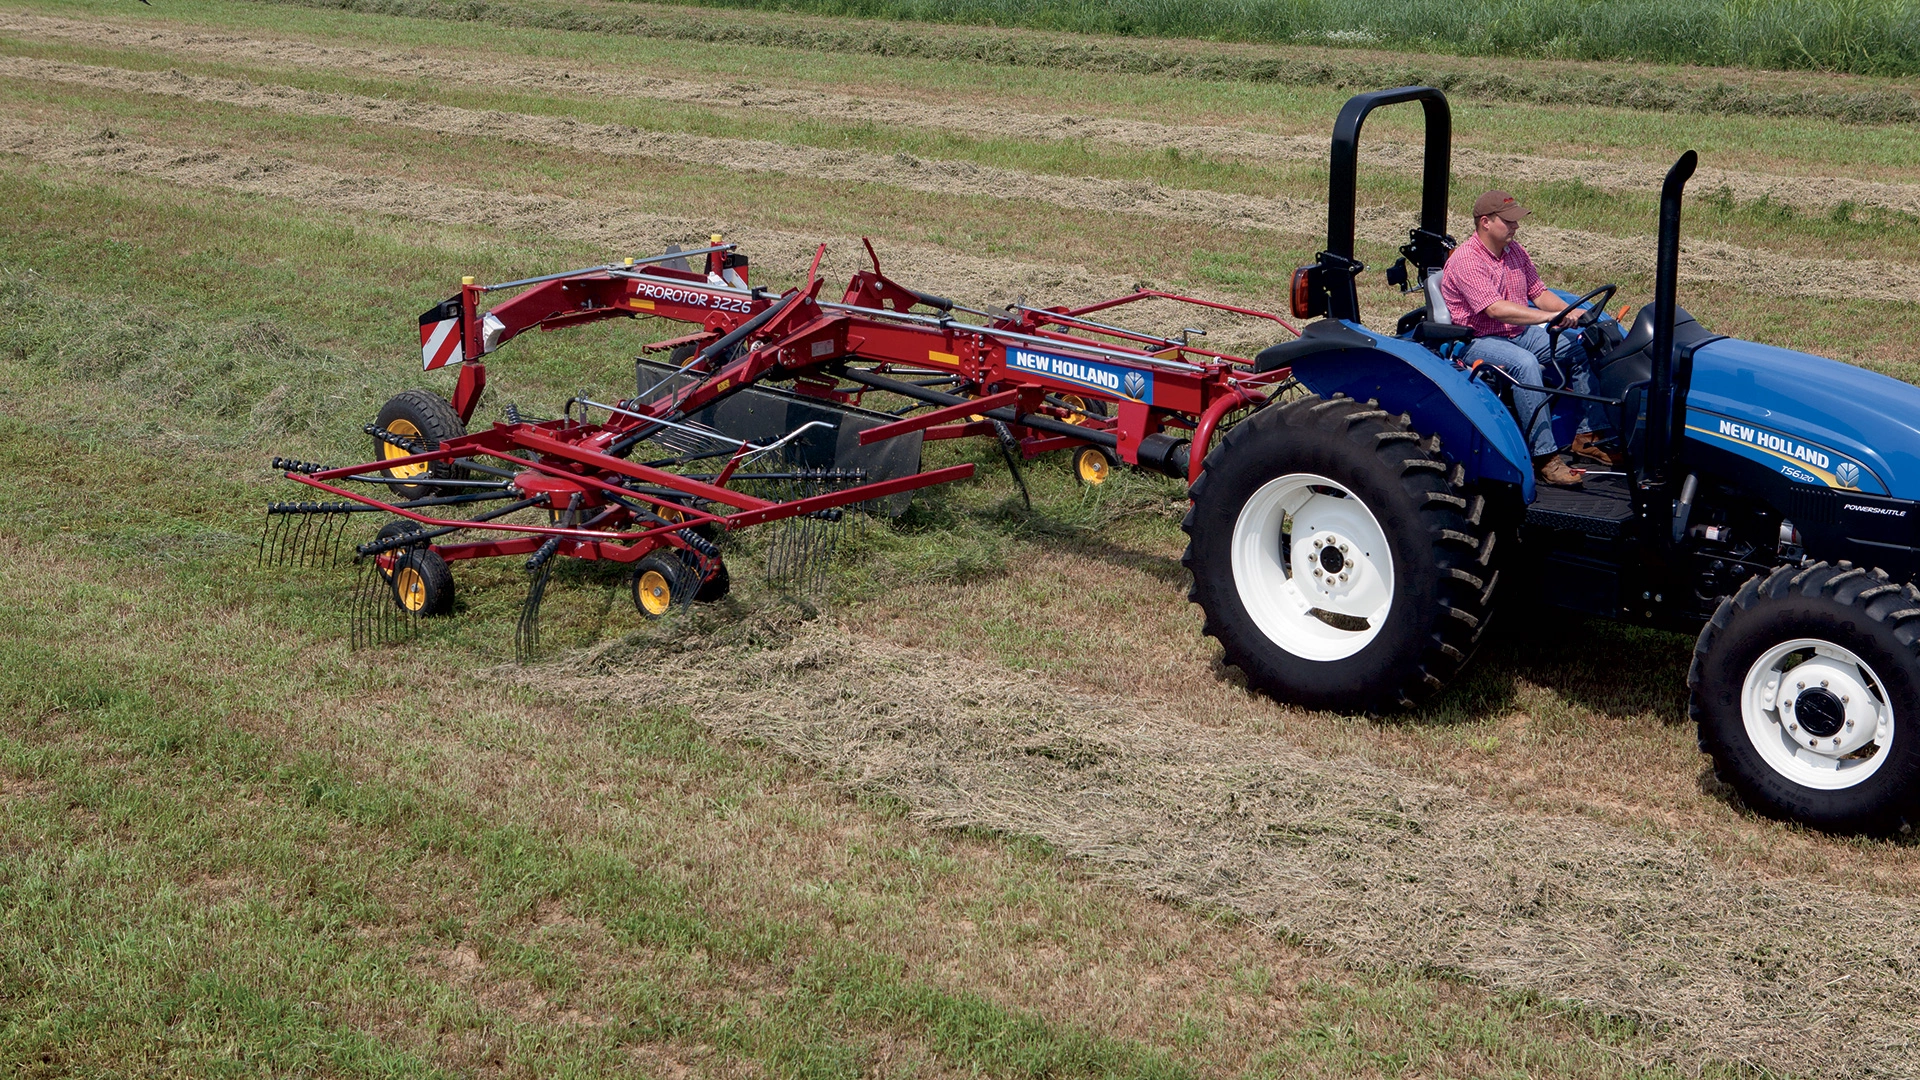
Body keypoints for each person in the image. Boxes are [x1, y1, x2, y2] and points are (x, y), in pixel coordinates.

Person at [1440, 190, 1617, 487]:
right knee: (1525, 364)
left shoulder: (1515, 253)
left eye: (1516, 221)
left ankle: (1589, 435)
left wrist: (1574, 314)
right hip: (1477, 338)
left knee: (1578, 346)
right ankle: (1545, 457)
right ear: (1485, 222)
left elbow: (1539, 294)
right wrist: (1548, 318)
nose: (1515, 227)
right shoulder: (1467, 261)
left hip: (1516, 332)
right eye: (1508, 221)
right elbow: (1495, 310)